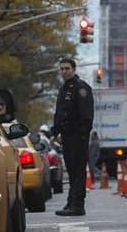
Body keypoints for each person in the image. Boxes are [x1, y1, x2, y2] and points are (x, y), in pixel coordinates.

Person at [51, 58, 94, 216]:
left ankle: (77, 205)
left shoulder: (81, 87)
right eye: (61, 69)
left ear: (74, 69)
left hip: (78, 136)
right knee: (72, 171)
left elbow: (86, 113)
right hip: (66, 136)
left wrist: (83, 134)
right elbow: (60, 113)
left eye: (67, 68)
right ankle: (71, 203)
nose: (64, 71)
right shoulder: (63, 89)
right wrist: (54, 132)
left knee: (78, 171)